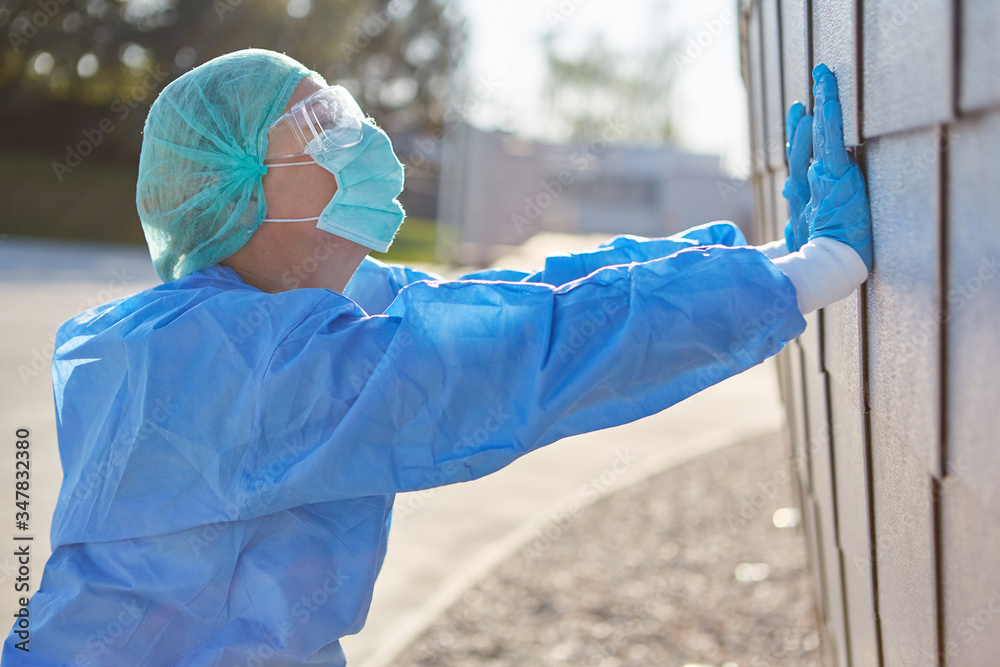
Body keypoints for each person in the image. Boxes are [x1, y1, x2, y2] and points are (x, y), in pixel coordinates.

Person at [3, 49, 871, 665]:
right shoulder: (232, 365)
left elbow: (508, 300)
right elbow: (505, 357)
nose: (359, 141)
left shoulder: (269, 312)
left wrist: (764, 262)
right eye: (318, 127)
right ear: (239, 187)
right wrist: (814, 271)